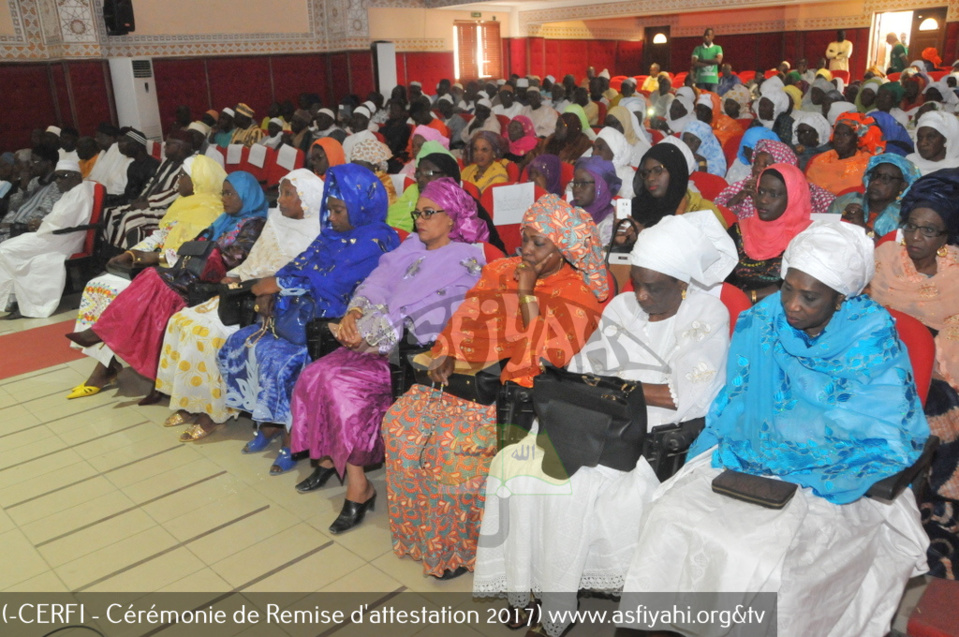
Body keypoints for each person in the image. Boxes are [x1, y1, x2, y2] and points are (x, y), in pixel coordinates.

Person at [619, 221, 929, 637]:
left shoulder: (871, 337)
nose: (793, 306)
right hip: (753, 450)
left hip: (838, 473)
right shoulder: (763, 319)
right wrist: (773, 434)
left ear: (841, 299)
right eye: (788, 288)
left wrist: (794, 436)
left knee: (774, 560)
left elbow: (877, 424)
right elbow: (740, 398)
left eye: (810, 296)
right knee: (669, 517)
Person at [473, 210, 736, 637]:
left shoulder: (707, 315)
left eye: (655, 288)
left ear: (683, 285)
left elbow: (682, 396)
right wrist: (613, 388)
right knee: (511, 467)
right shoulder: (621, 306)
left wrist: (615, 387)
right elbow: (580, 370)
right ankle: (524, 588)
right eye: (637, 283)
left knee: (569, 487)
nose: (643, 297)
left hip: (647, 434)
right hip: (591, 417)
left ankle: (555, 612)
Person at [383, 193, 607, 579]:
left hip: (512, 399)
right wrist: (448, 351)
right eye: (524, 238)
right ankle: (419, 535)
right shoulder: (500, 269)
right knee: (399, 426)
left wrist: (526, 293)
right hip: (462, 382)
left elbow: (541, 357)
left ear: (564, 249)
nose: (526, 250)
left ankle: (458, 548)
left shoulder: (577, 293)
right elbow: (465, 317)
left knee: (450, 448)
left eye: (540, 243)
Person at [289, 178, 489, 534]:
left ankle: (359, 487)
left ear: (453, 217)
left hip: (407, 357)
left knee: (341, 388)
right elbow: (377, 282)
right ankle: (326, 459)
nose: (419, 221)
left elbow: (431, 317)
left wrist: (370, 336)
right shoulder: (412, 246)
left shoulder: (466, 260)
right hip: (370, 337)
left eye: (429, 213)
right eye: (417, 213)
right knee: (314, 374)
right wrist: (354, 315)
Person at [216, 165, 399, 473]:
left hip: (336, 326)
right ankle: (269, 424)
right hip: (301, 314)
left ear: (361, 206)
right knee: (245, 344)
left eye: (340, 210)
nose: (332, 218)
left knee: (288, 362)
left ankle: (292, 437)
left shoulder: (378, 240)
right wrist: (276, 286)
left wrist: (283, 285)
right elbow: (298, 264)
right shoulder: (331, 234)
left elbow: (336, 283)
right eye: (330, 210)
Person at [65, 169, 266, 400]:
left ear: (247, 194)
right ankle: (133, 362)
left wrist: (202, 253)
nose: (224, 198)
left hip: (211, 285)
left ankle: (102, 334)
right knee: (150, 285)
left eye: (230, 194)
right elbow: (192, 246)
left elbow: (233, 259)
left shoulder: (254, 224)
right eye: (223, 193)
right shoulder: (224, 220)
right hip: (189, 275)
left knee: (151, 280)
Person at [157, 169, 324, 439]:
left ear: (309, 198)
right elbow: (254, 260)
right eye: (280, 192)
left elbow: (299, 279)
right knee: (182, 321)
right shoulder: (277, 220)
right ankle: (189, 402)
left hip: (273, 304)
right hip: (243, 290)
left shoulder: (318, 231)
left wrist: (258, 286)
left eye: (288, 194)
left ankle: (213, 412)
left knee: (208, 335)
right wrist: (233, 276)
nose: (279, 200)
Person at [867, 170, 959, 579]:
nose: (917, 237)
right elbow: (861, 314)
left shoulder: (955, 276)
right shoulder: (883, 258)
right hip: (876, 355)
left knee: (936, 402)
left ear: (946, 237)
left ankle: (933, 495)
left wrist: (928, 354)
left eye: (930, 230)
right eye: (911, 226)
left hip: (937, 365)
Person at [0, 161, 94, 319]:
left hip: (62, 240)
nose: (57, 181)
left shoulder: (80, 192)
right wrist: (42, 224)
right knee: (5, 247)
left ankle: (19, 302)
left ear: (75, 176)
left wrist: (41, 224)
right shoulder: (70, 192)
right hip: (52, 234)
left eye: (61, 177)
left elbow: (65, 222)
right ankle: (15, 299)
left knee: (6, 251)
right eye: (56, 177)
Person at [725, 163, 812, 305]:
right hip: (734, 306)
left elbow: (797, 286)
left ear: (793, 197)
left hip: (783, 312)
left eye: (773, 194)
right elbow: (721, 277)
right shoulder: (738, 231)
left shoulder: (806, 237)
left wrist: (749, 297)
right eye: (761, 192)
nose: (763, 200)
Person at [101, 130, 194, 249]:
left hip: (169, 209)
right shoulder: (168, 162)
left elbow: (176, 192)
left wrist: (148, 203)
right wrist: (140, 199)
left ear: (179, 146)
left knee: (132, 217)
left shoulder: (191, 164)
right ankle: (112, 249)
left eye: (169, 144)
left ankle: (133, 257)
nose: (164, 146)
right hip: (151, 203)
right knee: (108, 213)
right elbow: (152, 183)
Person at [716, 138, 834, 220]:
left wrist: (760, 201)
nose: (757, 169)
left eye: (766, 165)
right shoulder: (744, 185)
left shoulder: (807, 192)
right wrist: (740, 196)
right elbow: (721, 216)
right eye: (756, 163)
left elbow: (813, 219)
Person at [631, 143, 724, 230]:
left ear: (674, 172)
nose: (650, 178)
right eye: (645, 173)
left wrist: (645, 235)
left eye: (657, 170)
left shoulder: (703, 213)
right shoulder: (637, 208)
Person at [829, 154, 921, 239]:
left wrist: (862, 227)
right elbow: (821, 235)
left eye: (886, 178)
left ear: (903, 185)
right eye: (875, 176)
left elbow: (895, 252)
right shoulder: (844, 202)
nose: (876, 182)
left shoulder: (906, 216)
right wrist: (841, 224)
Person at [805, 112, 884, 195]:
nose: (839, 139)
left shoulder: (868, 164)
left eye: (846, 134)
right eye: (837, 134)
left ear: (857, 138)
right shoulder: (820, 160)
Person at [571, 156, 621, 246]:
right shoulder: (567, 212)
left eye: (584, 184)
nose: (576, 189)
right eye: (575, 183)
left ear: (600, 187)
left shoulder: (609, 223)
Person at [906, 110, 959, 175]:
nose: (923, 143)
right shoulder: (909, 163)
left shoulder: (955, 169)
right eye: (919, 138)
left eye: (931, 137)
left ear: (946, 139)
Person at [592, 127, 635, 198]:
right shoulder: (587, 170)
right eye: (593, 148)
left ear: (615, 152)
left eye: (600, 149)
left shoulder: (629, 180)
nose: (594, 153)